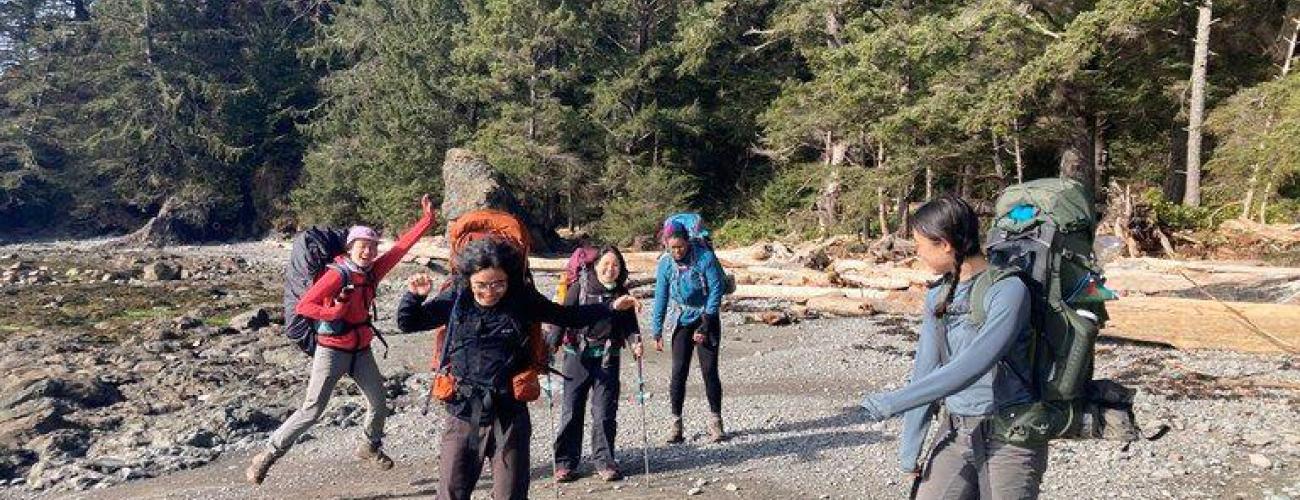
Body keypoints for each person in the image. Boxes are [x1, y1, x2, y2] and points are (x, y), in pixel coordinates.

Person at [396, 237, 639, 500]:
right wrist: (413, 297)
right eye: (481, 285)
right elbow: (409, 322)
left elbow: (567, 316)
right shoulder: (457, 297)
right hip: (463, 412)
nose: (490, 291)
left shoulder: (521, 299)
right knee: (452, 493)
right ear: (468, 280)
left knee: (510, 494)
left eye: (498, 284)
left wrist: (611, 306)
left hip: (510, 413)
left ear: (509, 279)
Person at [859, 194, 1045, 500]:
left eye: (920, 246)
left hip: (1012, 435)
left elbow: (972, 365)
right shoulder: (939, 295)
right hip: (956, 431)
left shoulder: (1009, 290)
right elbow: (925, 369)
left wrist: (890, 402)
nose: (917, 254)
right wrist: (910, 447)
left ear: (945, 244)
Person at [246, 195, 435, 485]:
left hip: (360, 350)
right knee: (312, 410)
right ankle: (268, 455)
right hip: (332, 350)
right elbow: (304, 306)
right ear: (350, 248)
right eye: (363, 247)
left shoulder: (372, 272)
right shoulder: (337, 275)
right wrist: (333, 311)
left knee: (379, 402)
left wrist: (426, 221)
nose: (368, 252)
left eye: (372, 247)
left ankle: (369, 446)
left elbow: (400, 249)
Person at [546, 245, 643, 482]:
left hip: (608, 358)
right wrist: (552, 343)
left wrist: (635, 343)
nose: (611, 269)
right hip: (576, 356)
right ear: (595, 266)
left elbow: (630, 326)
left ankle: (605, 462)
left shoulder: (622, 293)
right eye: (606, 265)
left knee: (604, 412)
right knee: (571, 410)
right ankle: (565, 463)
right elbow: (562, 316)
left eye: (616, 265)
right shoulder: (579, 288)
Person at [650, 221, 726, 444]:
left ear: (687, 242)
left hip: (705, 315)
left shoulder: (705, 258)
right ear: (666, 245)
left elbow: (715, 290)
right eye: (672, 248)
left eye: (681, 247)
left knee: (709, 370)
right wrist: (656, 330)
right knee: (678, 372)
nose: (677, 252)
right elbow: (661, 297)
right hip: (681, 318)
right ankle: (676, 423)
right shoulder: (665, 264)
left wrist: (706, 324)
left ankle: (716, 421)